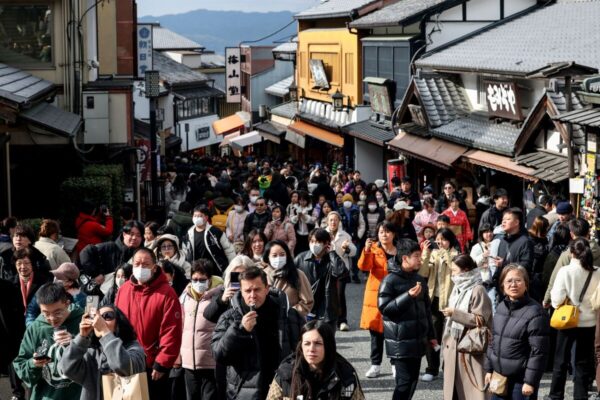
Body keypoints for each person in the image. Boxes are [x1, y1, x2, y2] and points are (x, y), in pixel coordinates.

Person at [211, 266, 303, 400]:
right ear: (241, 291)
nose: (252, 295)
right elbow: (219, 355)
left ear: (267, 288)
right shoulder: (229, 317)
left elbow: (301, 352)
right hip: (244, 392)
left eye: (257, 289)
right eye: (248, 290)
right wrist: (240, 330)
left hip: (281, 389)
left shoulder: (288, 315)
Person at [115, 248, 183, 400]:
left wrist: (162, 363)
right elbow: (116, 324)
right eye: (137, 263)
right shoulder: (124, 290)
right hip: (126, 362)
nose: (140, 268)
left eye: (145, 264)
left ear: (154, 267)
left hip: (152, 366)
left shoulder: (167, 293)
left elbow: (171, 331)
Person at [378, 239, 436, 400]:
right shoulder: (390, 280)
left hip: (418, 341)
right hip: (399, 342)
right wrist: (408, 296)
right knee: (403, 383)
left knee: (412, 382)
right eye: (416, 256)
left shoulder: (419, 279)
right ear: (405, 258)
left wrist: (431, 336)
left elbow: (426, 310)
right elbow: (385, 309)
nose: (420, 259)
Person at [485, 265, 550, 400]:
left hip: (521, 382)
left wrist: (530, 382)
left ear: (526, 284)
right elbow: (493, 340)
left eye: (518, 280)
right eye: (509, 281)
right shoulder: (502, 307)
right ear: (502, 285)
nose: (513, 284)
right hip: (499, 376)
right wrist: (489, 369)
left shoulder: (535, 312)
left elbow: (538, 352)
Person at [547, 238, 600, 400]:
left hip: (567, 321)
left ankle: (556, 395)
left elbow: (556, 300)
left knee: (560, 361)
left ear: (571, 253)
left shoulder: (565, 271)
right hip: (589, 321)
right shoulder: (597, 271)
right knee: (583, 363)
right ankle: (580, 396)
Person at [13, 283, 84, 400]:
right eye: (45, 313)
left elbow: (100, 359)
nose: (52, 318)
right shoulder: (35, 328)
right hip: (47, 395)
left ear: (67, 303)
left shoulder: (82, 321)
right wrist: (33, 363)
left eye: (57, 312)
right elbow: (21, 366)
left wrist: (78, 343)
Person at [59, 304, 147, 400]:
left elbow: (123, 366)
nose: (99, 321)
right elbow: (67, 368)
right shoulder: (91, 352)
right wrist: (82, 337)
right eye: (96, 317)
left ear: (118, 322)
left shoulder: (133, 347)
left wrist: (105, 331)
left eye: (107, 316)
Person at [266, 320, 365, 400]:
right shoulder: (286, 374)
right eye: (307, 343)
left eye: (318, 343)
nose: (311, 349)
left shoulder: (345, 376)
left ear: (328, 346)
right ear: (301, 347)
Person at [440, 254, 492, 400]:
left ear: (466, 270)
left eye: (455, 271)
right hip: (453, 343)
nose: (452, 274)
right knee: (454, 391)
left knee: (470, 391)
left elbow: (481, 319)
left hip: (470, 347)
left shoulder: (478, 290)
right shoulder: (458, 288)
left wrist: (455, 313)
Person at [419, 228, 460, 382]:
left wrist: (447, 256)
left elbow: (456, 272)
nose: (440, 242)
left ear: (450, 240)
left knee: (450, 336)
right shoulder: (434, 254)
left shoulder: (457, 255)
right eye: (438, 239)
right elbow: (423, 273)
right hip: (434, 299)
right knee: (433, 335)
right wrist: (425, 253)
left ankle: (448, 368)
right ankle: (432, 368)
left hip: (451, 301)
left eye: (443, 239)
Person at [179, 259, 223, 400]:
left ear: (209, 279)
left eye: (202, 280)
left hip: (211, 363)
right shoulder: (185, 297)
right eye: (194, 279)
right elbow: (180, 326)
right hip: (189, 362)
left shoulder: (219, 297)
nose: (198, 283)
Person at [358, 221, 396, 379]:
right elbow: (363, 267)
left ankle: (395, 364)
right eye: (381, 232)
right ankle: (375, 365)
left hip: (395, 294)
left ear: (393, 234)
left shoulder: (400, 250)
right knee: (375, 333)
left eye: (387, 231)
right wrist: (366, 251)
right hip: (376, 295)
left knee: (394, 332)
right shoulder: (373, 248)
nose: (384, 234)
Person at [295, 228, 348, 331]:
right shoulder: (301, 258)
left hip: (327, 309)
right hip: (308, 308)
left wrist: (333, 253)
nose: (315, 245)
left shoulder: (332, 258)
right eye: (312, 241)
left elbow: (341, 272)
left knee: (327, 343)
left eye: (318, 242)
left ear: (326, 243)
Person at [543, 218, 600, 308]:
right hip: (593, 312)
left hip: (571, 313)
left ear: (572, 234)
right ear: (588, 232)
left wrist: (547, 300)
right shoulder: (598, 251)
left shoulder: (568, 255)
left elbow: (554, 280)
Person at [79, 220, 145, 294]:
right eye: (131, 234)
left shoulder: (143, 255)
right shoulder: (110, 247)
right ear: (124, 234)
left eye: (138, 235)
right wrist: (96, 273)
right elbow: (86, 252)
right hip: (103, 294)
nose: (134, 238)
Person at [263, 240, 313, 317]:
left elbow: (307, 302)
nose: (278, 258)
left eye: (282, 255)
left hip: (291, 323)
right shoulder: (261, 275)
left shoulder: (297, 274)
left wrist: (289, 313)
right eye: (274, 255)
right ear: (268, 257)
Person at [183, 205, 236, 276]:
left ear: (206, 217)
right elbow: (185, 253)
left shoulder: (215, 232)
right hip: (198, 275)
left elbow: (229, 250)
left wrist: (232, 269)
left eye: (200, 216)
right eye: (195, 216)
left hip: (216, 273)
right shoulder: (188, 234)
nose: (196, 218)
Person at [326, 211, 357, 331]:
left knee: (339, 295)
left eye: (335, 220)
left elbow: (354, 252)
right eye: (331, 220)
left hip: (341, 269)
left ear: (339, 221)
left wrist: (347, 248)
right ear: (327, 221)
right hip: (327, 269)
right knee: (327, 295)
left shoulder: (345, 235)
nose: (333, 222)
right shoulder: (322, 233)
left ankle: (342, 320)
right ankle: (328, 319)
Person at [495, 208, 534, 275]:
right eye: (503, 219)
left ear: (516, 222)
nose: (504, 222)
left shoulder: (525, 242)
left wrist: (505, 264)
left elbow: (525, 266)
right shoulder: (503, 241)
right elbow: (499, 268)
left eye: (508, 219)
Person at [528, 216, 549, 302]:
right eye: (546, 228)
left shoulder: (543, 239)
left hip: (538, 274)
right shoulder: (529, 240)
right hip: (533, 274)